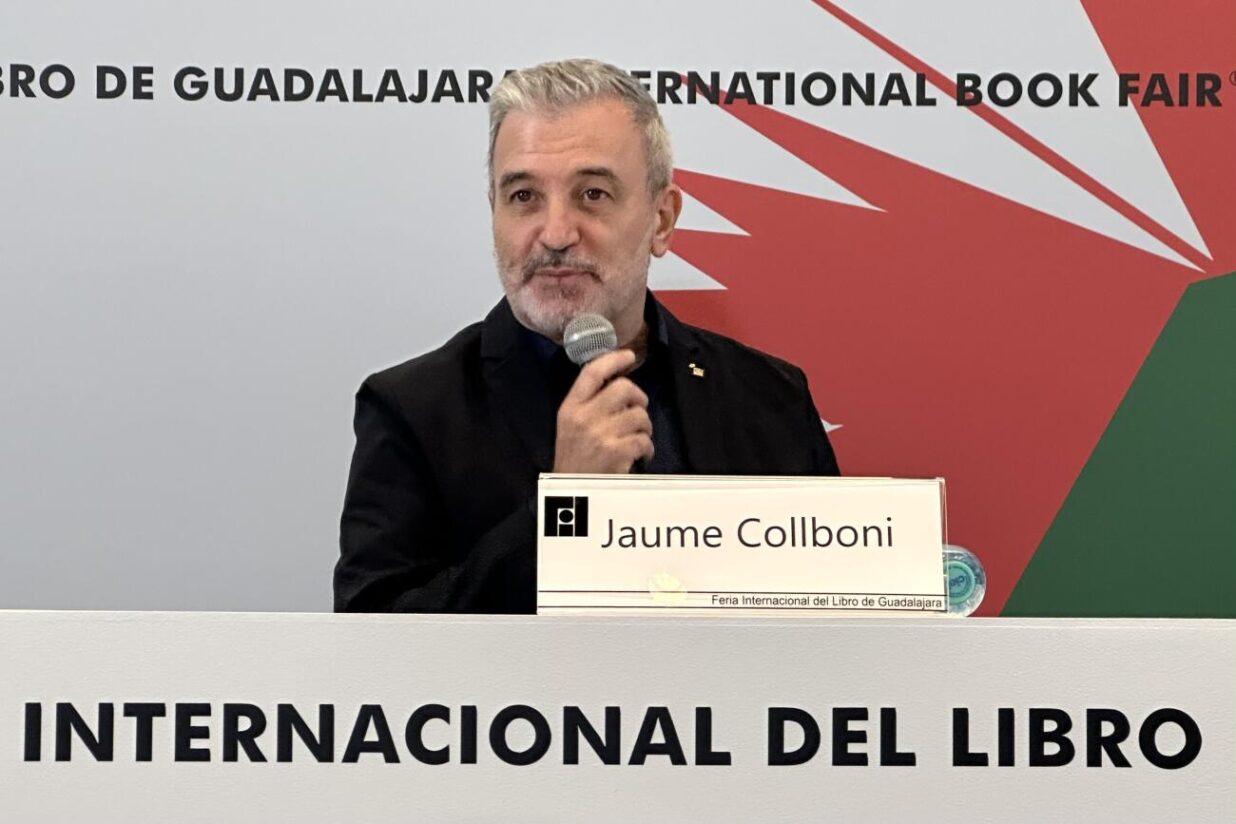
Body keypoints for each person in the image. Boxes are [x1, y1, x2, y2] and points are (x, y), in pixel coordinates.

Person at [335, 59, 839, 613]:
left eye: (592, 194)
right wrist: (564, 508)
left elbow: (836, 612)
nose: (555, 234)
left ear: (662, 219)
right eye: (523, 197)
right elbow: (375, 640)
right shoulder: (413, 410)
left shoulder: (769, 397)